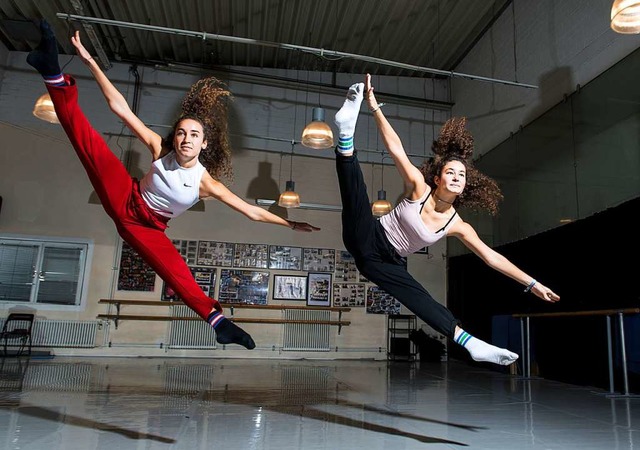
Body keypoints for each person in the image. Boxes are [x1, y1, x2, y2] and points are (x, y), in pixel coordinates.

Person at [26, 20, 320, 350]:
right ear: (175, 137)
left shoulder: (206, 183)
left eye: (194, 135)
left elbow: (252, 212)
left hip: (149, 228)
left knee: (178, 274)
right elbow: (120, 108)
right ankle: (52, 72)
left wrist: (288, 222)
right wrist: (90, 61)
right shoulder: (159, 148)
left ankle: (219, 323)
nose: (185, 139)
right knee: (88, 143)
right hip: (126, 195)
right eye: (181, 132)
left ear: (205, 144)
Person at [333, 74, 560, 366]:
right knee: (357, 197)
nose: (456, 177)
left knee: (420, 297)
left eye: (461, 175)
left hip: (385, 262)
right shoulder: (419, 188)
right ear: (438, 178)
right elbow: (395, 148)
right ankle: (345, 134)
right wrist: (374, 106)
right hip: (368, 235)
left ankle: (469, 342)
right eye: (451, 173)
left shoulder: (457, 225)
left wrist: (532, 283)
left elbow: (491, 258)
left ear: (466, 185)